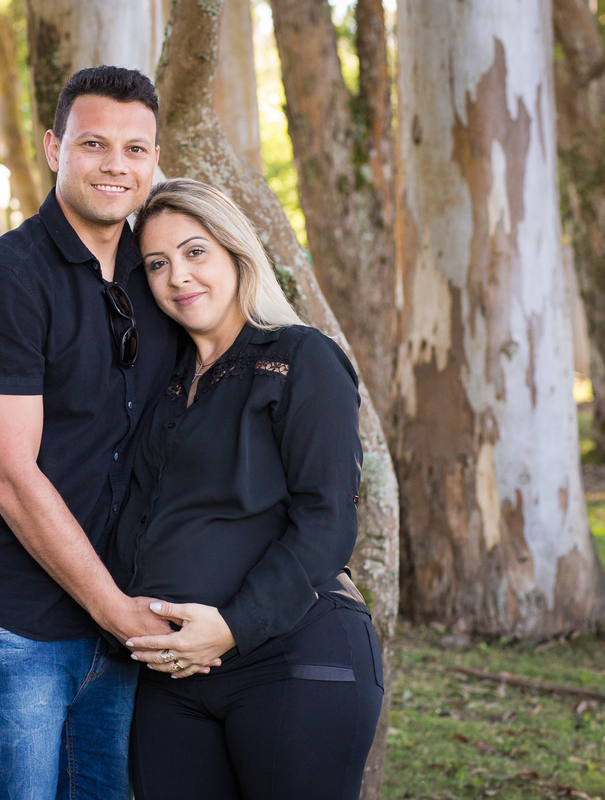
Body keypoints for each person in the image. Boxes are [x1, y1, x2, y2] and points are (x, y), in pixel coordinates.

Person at [0, 66, 180, 800]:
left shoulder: (159, 277)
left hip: (122, 624)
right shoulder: (4, 281)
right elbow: (9, 473)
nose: (115, 165)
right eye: (94, 143)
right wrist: (116, 611)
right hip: (17, 625)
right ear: (53, 148)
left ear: (155, 159)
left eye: (136, 149)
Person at [111, 178, 384, 799]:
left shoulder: (301, 358)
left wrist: (233, 626)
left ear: (236, 252)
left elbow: (327, 520)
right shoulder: (158, 380)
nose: (178, 276)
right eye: (157, 263)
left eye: (195, 252)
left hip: (291, 658)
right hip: (170, 677)